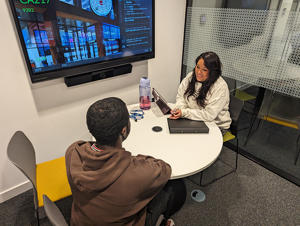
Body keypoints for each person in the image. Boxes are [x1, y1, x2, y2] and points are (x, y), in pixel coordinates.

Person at [65, 97, 186, 226]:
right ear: (124, 130)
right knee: (176, 187)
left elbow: (92, 147)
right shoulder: (137, 173)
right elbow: (165, 169)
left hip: (81, 220)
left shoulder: (73, 151)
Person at [170, 51, 231, 135]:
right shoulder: (191, 76)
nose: (199, 72)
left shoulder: (220, 87)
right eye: (197, 67)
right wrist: (180, 110)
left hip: (215, 125)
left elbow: (209, 115)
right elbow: (181, 96)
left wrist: (184, 113)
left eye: (204, 70)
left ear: (213, 72)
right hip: (193, 118)